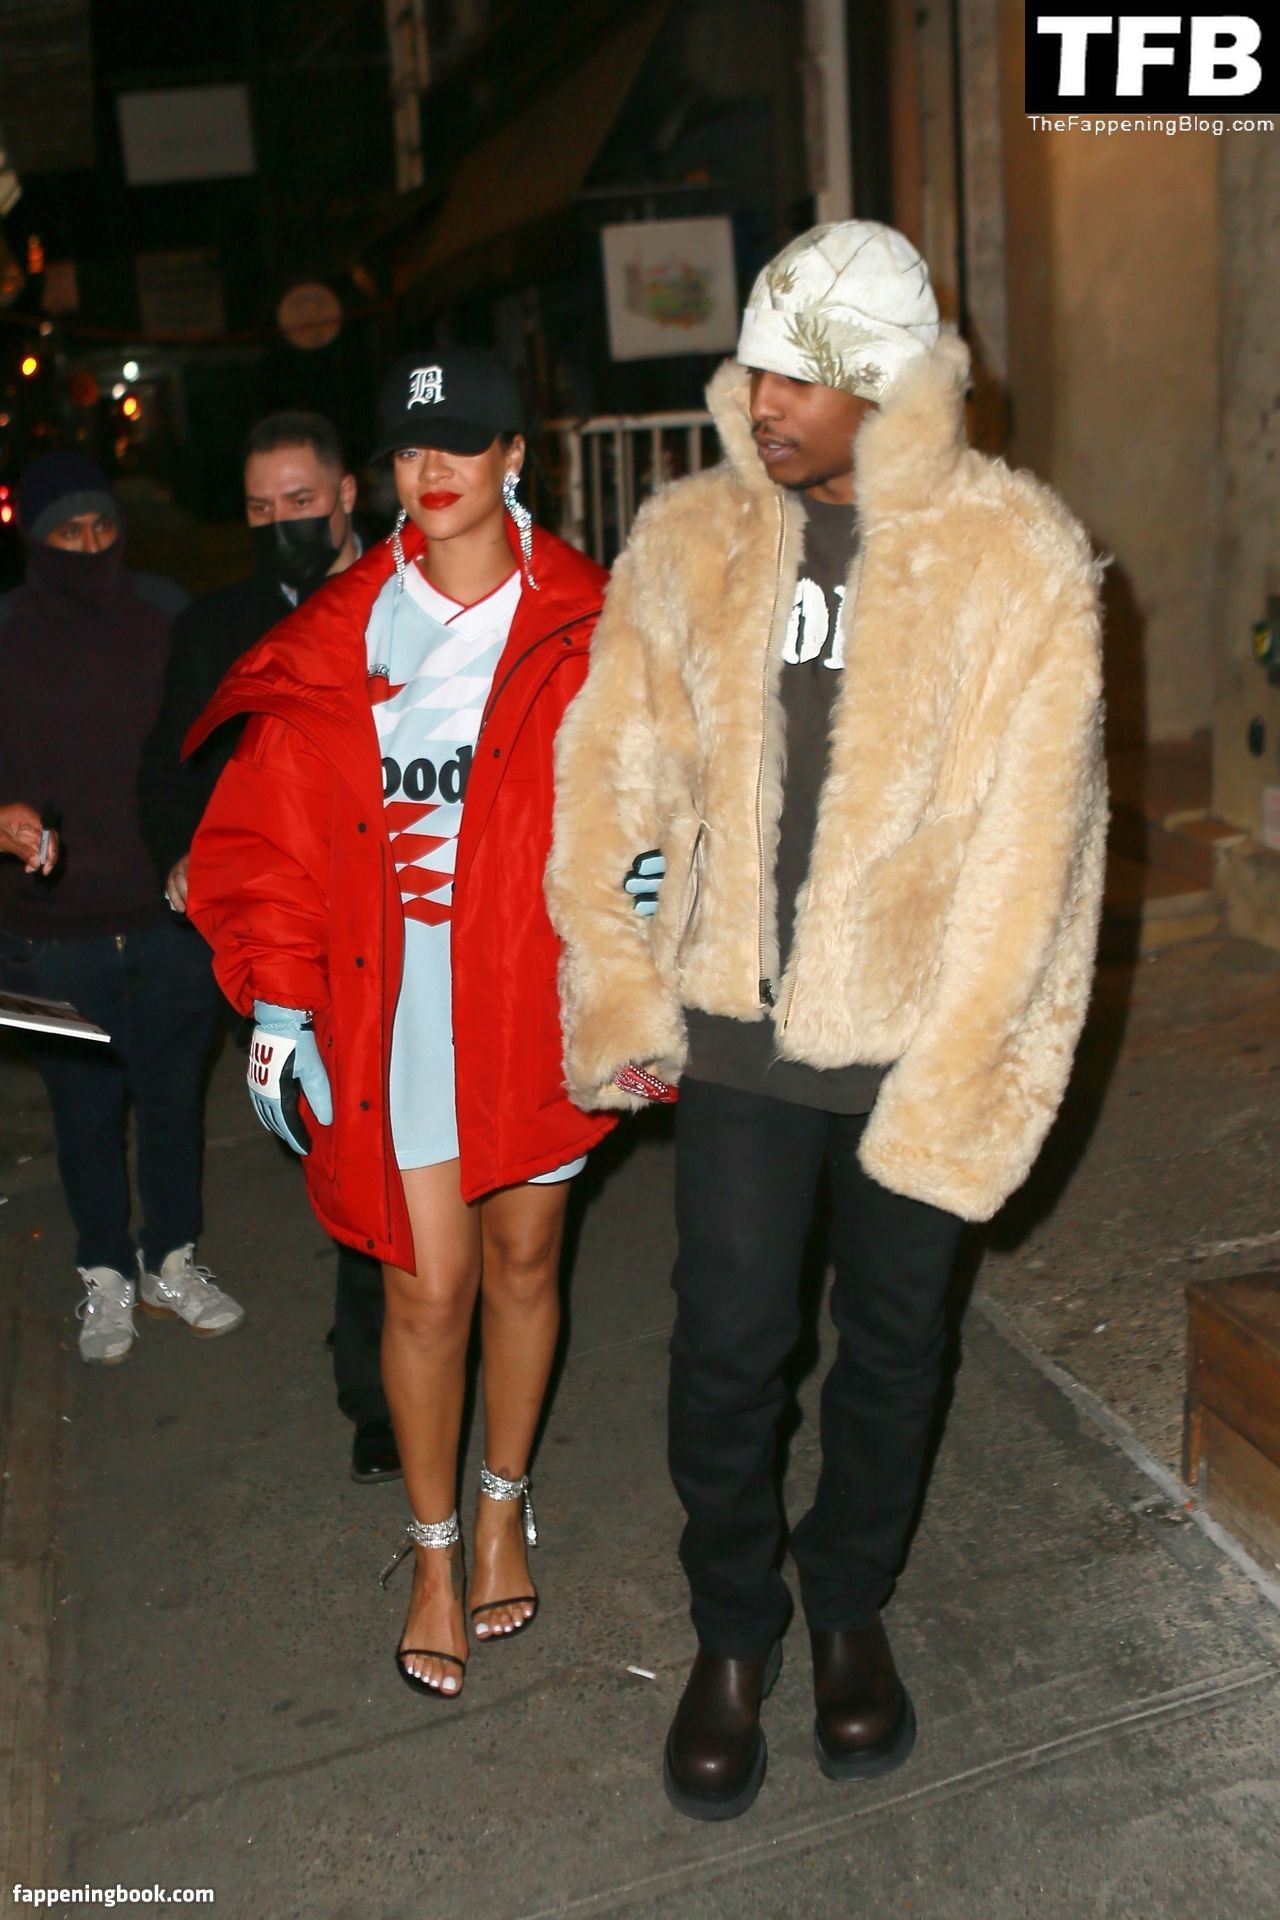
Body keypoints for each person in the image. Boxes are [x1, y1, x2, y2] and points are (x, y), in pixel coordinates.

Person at [547, 221, 1107, 1819]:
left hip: (917, 1042)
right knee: (727, 1345)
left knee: (896, 1346)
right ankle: (736, 1631)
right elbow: (619, 772)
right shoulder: (694, 539)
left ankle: (850, 1600)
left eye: (802, 374)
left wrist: (971, 1065)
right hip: (739, 1028)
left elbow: (1041, 855)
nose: (763, 399)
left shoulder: (1017, 557)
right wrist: (620, 968)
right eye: (757, 367)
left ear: (889, 383)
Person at [185, 348, 615, 1698]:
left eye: (461, 442)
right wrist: (280, 996)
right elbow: (270, 833)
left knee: (526, 1259)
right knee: (426, 1287)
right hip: (401, 995)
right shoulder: (345, 630)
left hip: (535, 986)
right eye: (412, 448)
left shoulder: (592, 617)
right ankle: (433, 1553)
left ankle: (502, 1507)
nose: (432, 471)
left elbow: (651, 802)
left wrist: (639, 939)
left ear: (514, 455)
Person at [138, 411, 396, 1485]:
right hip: (294, 936)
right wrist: (186, 856)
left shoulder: (411, 599)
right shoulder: (220, 628)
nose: (279, 522)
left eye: (299, 503)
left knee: (406, 1147)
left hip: (402, 916)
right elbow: (173, 765)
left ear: (345, 495)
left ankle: (402, 1360)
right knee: (348, 1147)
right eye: (257, 509)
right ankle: (377, 1387)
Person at [0, 452, 245, 1365]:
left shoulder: (163, 613)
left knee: (174, 1102)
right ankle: (103, 1269)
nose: (91, 546)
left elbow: (213, 743)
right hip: (42, 936)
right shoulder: (6, 632)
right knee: (82, 1114)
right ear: (35, 540)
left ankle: (170, 1258)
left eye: (103, 527)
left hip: (167, 922)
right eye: (68, 533)